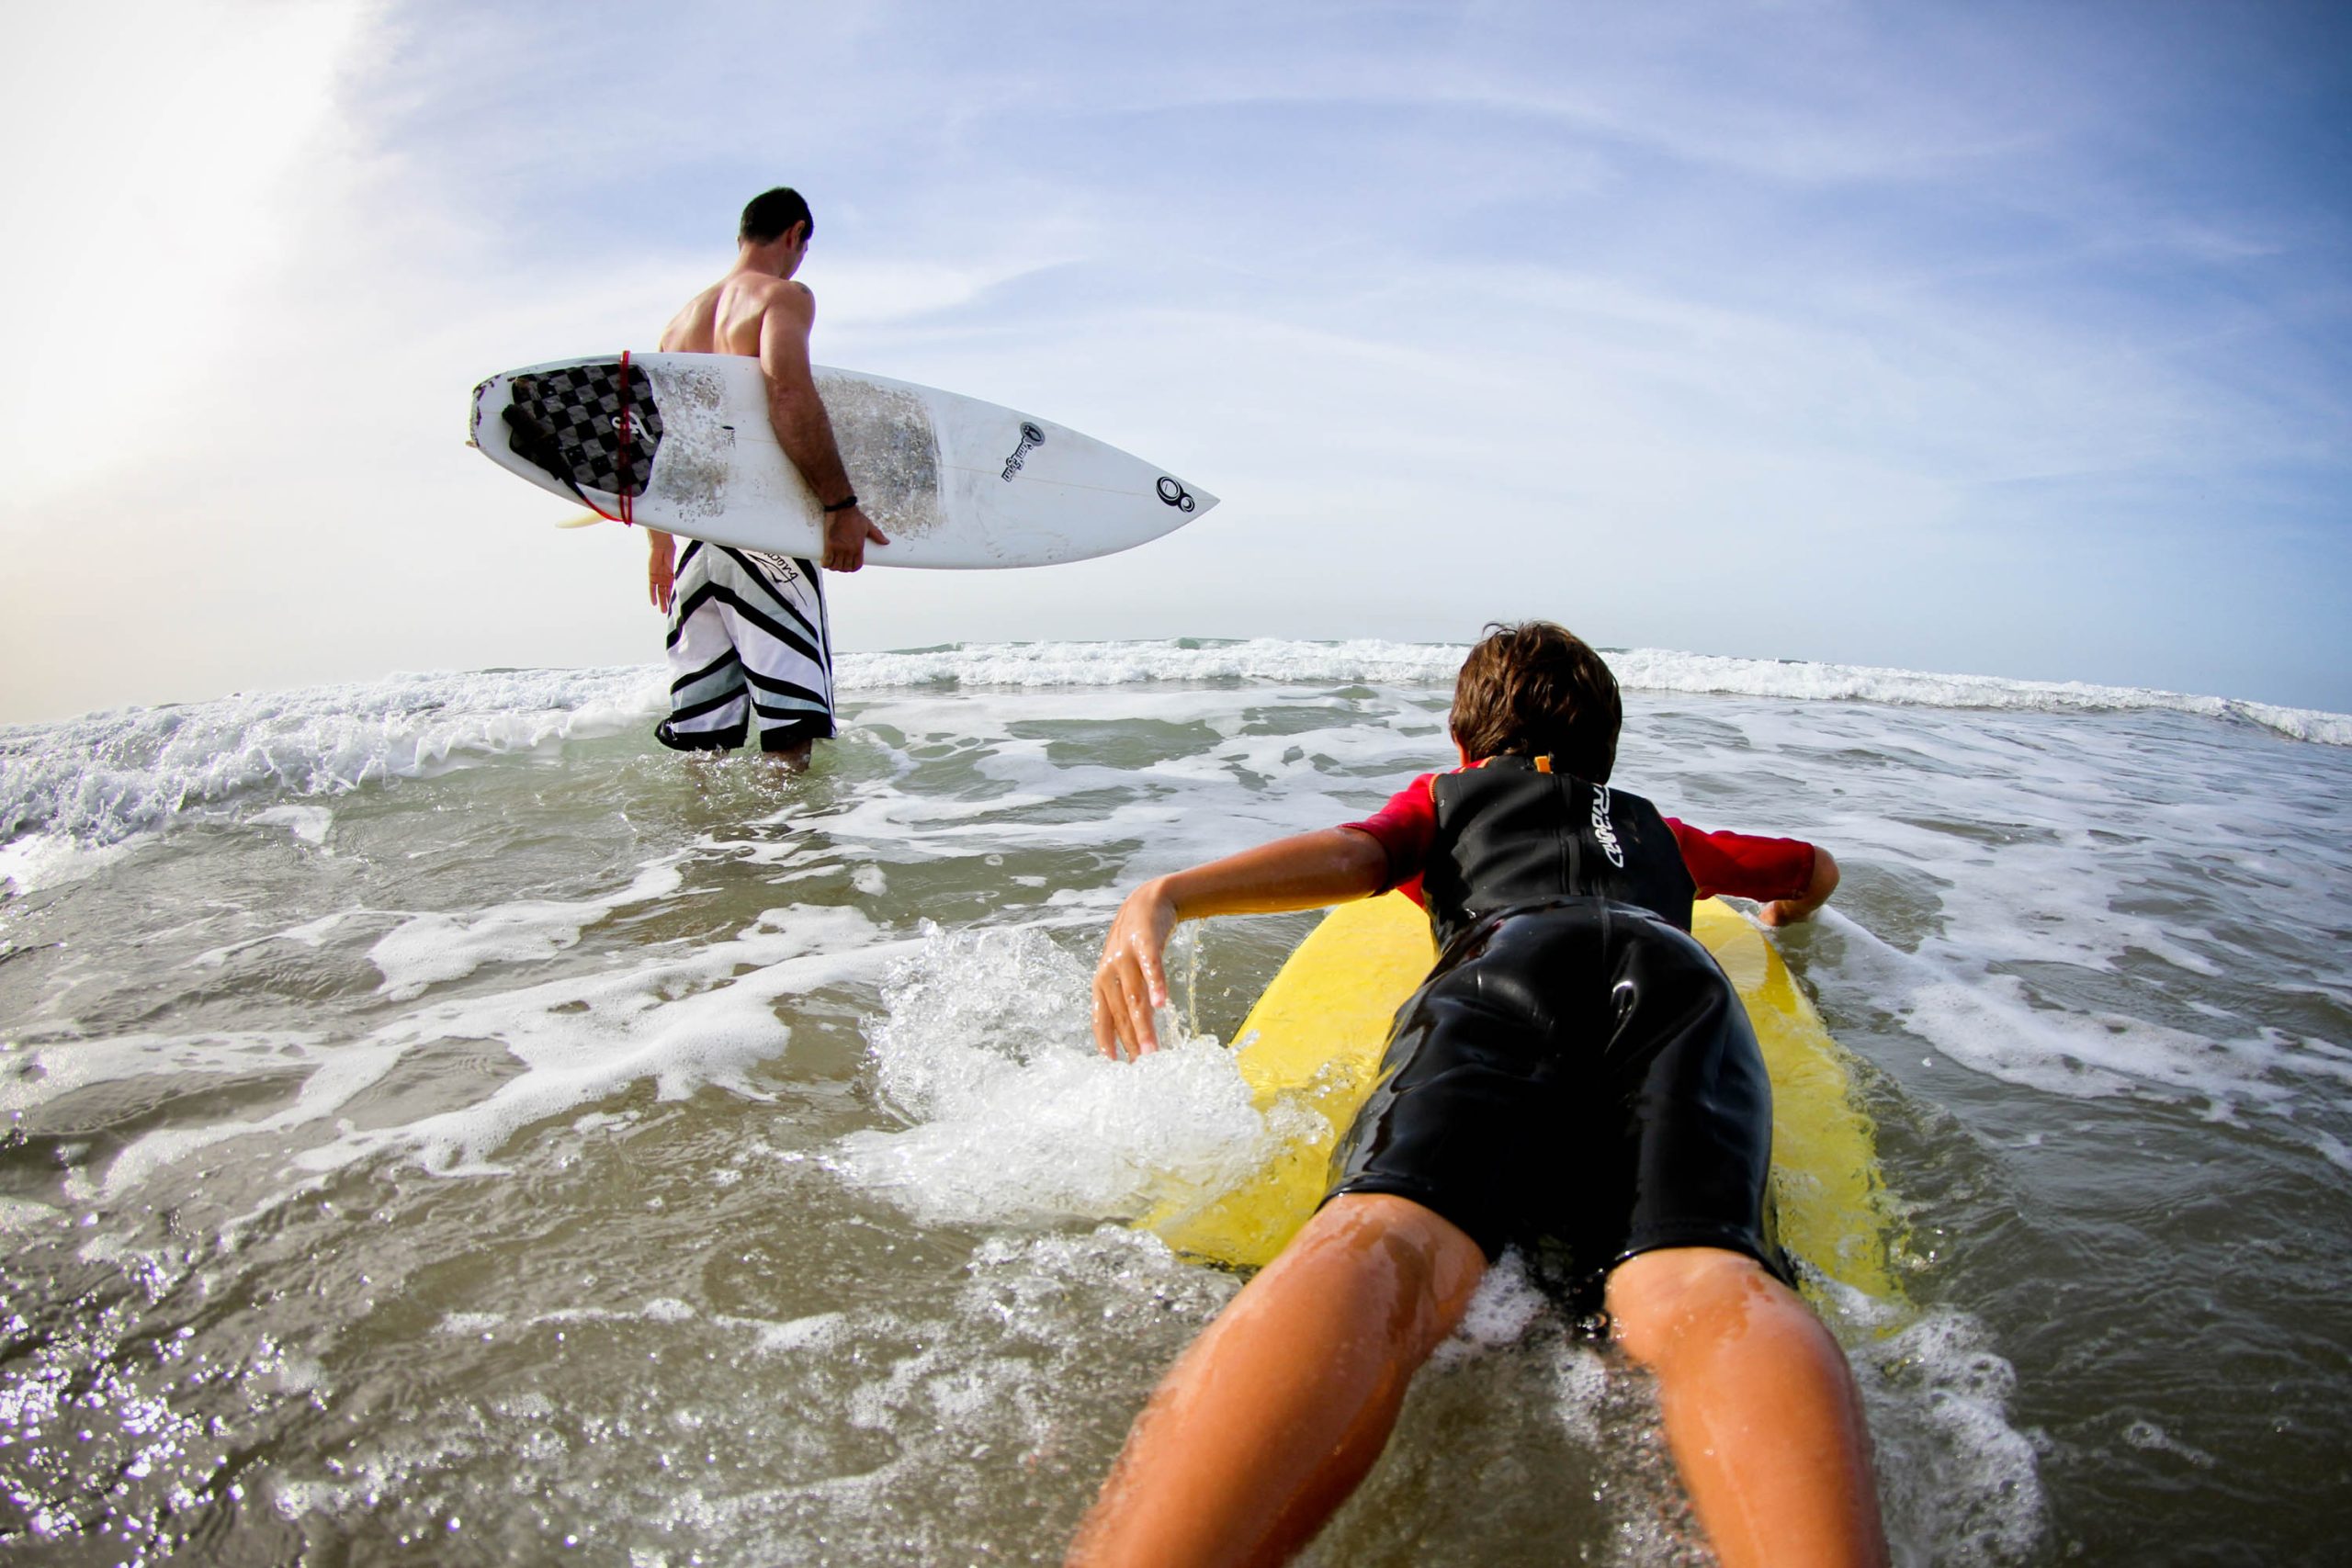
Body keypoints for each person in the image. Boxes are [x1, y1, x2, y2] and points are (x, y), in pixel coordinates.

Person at [1074, 622, 1884, 1568]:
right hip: (1677, 979)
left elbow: (1358, 855)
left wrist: (1170, 894)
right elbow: (1809, 868)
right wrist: (1787, 913)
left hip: (1509, 960)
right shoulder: (1659, 832)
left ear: (1464, 744)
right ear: (1604, 752)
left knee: (1392, 1238)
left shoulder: (1448, 798)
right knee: (1702, 1278)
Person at [641, 186, 889, 770]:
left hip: (696, 549)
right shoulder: (784, 296)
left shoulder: (677, 326)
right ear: (796, 234)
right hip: (762, 539)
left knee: (704, 744)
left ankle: (710, 856)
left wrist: (657, 541)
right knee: (789, 730)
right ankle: (788, 858)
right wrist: (839, 506)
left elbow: (658, 442)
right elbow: (786, 391)